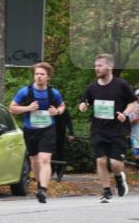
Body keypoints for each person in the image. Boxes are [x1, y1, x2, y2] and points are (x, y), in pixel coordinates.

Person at [78, 54, 134, 203]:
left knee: (115, 163)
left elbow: (133, 102)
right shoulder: (92, 87)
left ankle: (119, 178)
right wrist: (83, 107)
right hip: (98, 130)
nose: (96, 68)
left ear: (109, 66)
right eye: (95, 65)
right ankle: (106, 191)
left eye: (100, 65)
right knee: (101, 161)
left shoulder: (121, 84)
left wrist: (125, 113)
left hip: (117, 130)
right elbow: (84, 103)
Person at [9, 62, 66, 203]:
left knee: (44, 159)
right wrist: (27, 108)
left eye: (42, 74)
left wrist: (57, 111)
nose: (39, 77)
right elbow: (12, 108)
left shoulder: (54, 93)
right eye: (37, 74)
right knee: (34, 161)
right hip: (30, 130)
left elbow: (62, 105)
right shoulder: (25, 92)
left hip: (48, 129)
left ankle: (43, 190)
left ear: (48, 77)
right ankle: (40, 184)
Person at [52, 95, 75, 182]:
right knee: (49, 153)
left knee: (60, 153)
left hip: (60, 133)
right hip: (50, 132)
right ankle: (51, 170)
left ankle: (59, 172)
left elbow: (69, 121)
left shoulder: (64, 109)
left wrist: (71, 133)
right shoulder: (49, 107)